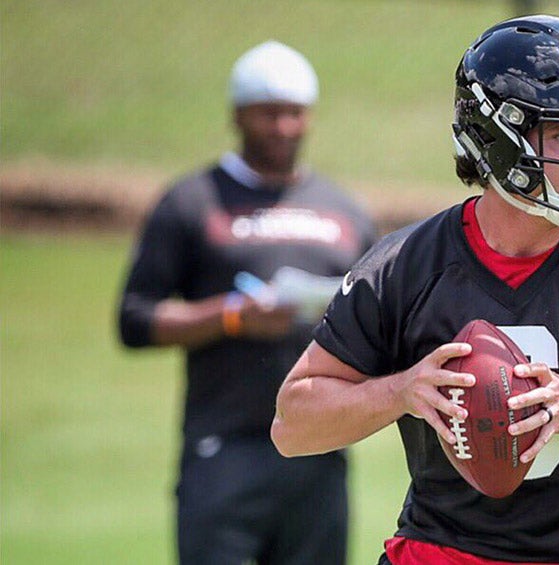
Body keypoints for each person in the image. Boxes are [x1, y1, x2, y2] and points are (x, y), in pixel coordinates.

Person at [272, 15, 559, 565]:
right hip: (441, 553)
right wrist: (402, 391)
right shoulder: (406, 268)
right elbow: (292, 425)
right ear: (497, 136)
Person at [118, 40, 377, 565]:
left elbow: (381, 317)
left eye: (294, 113)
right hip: (224, 451)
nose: (282, 127)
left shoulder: (343, 211)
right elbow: (136, 318)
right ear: (238, 115)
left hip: (319, 452)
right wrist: (232, 316)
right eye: (269, 113)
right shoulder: (193, 201)